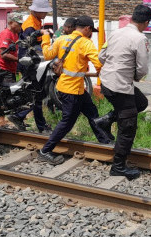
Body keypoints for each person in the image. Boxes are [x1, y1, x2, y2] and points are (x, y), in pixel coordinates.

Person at [36, 16, 114, 164]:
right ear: (87, 29)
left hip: (72, 88)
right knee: (67, 122)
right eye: (92, 31)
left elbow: (47, 54)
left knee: (92, 113)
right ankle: (45, 151)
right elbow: (99, 64)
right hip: (71, 90)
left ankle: (105, 143)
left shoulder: (61, 40)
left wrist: (46, 38)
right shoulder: (86, 43)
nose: (92, 34)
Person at [94, 5, 151, 180]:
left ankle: (106, 120)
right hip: (120, 86)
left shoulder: (116, 33)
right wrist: (132, 75)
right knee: (128, 127)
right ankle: (118, 167)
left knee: (141, 102)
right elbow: (142, 69)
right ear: (147, 22)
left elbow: (101, 57)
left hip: (106, 83)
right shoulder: (140, 38)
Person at [12, 0, 54, 133]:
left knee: (36, 94)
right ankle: (20, 116)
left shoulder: (36, 21)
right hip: (28, 64)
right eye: (44, 11)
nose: (46, 13)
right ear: (36, 11)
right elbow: (30, 43)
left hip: (32, 62)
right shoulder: (30, 25)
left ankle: (26, 119)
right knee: (36, 94)